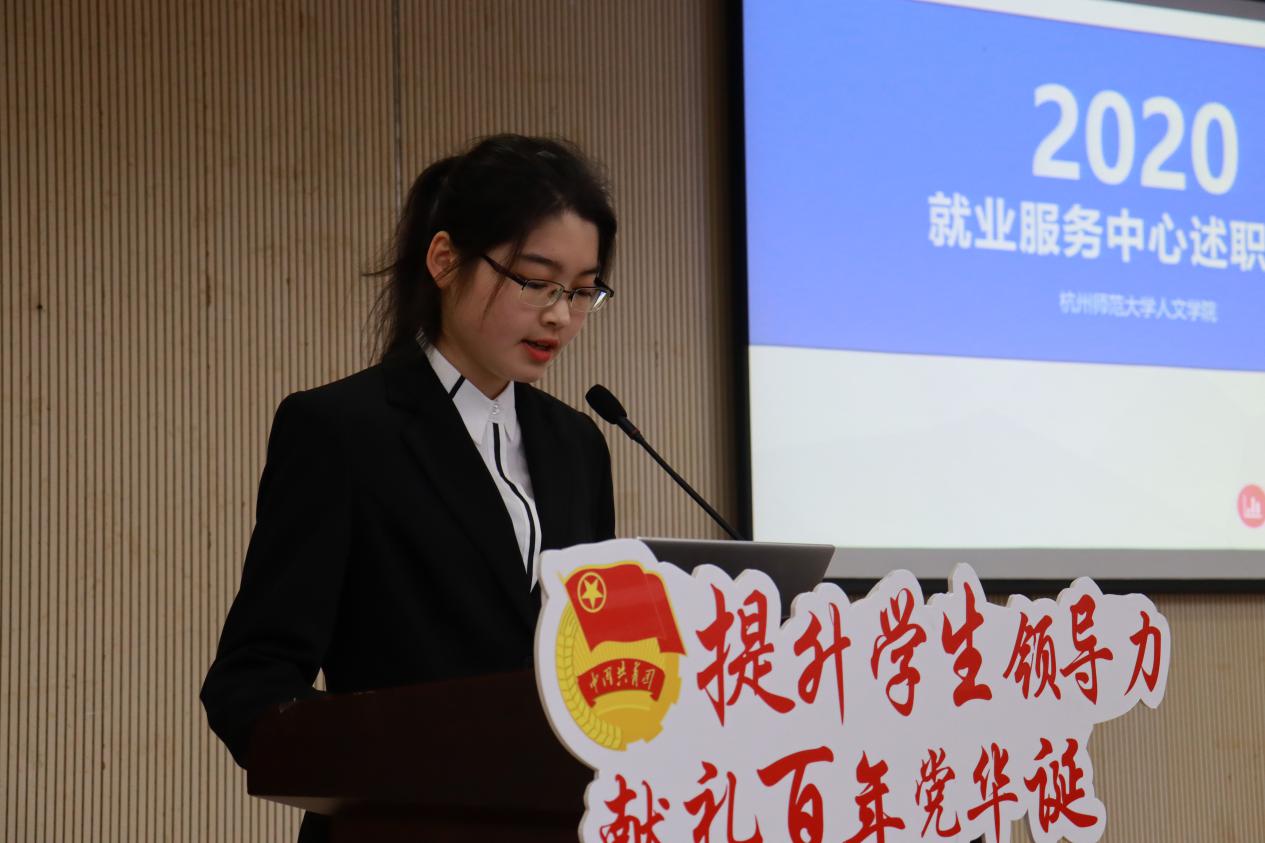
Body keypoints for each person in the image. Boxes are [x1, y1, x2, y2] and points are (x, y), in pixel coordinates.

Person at [200, 134, 619, 842]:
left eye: (582, 291)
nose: (559, 315)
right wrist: (385, 768)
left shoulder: (578, 444)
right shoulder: (341, 430)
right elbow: (252, 677)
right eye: (534, 281)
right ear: (445, 259)